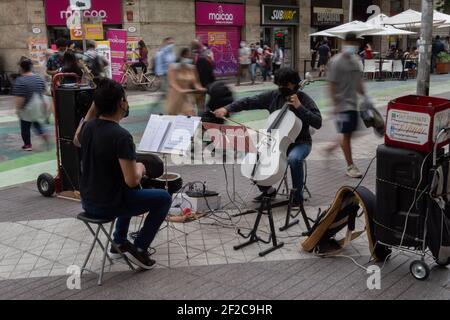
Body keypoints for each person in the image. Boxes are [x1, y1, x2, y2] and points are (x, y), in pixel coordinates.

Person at [76, 78, 171, 269]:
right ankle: (141, 248)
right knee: (163, 198)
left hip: (88, 201)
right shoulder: (121, 136)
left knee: (126, 190)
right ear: (121, 103)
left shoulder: (88, 128)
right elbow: (132, 180)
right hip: (108, 205)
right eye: (125, 98)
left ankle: (119, 241)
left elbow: (76, 140)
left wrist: (96, 104)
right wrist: (141, 167)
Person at [213, 68, 322, 205]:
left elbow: (317, 122)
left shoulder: (304, 99)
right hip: (273, 142)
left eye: (285, 85)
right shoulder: (273, 96)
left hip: (300, 142)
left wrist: (300, 107)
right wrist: (228, 108)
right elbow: (249, 101)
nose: (281, 88)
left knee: (294, 159)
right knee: (253, 157)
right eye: (279, 85)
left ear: (294, 83)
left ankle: (297, 197)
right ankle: (268, 190)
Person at [327, 33, 367, 178]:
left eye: (354, 43)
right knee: (347, 135)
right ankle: (350, 166)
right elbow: (331, 84)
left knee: (350, 133)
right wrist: (335, 104)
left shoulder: (356, 61)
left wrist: (365, 97)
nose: (352, 45)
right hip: (342, 105)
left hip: (353, 103)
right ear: (344, 42)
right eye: (350, 42)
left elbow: (358, 82)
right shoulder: (336, 61)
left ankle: (330, 148)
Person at [12, 59, 49, 151]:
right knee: (36, 122)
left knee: (25, 126)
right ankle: (43, 134)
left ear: (21, 68)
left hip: (26, 108)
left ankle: (27, 145)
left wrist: (18, 109)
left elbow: (20, 98)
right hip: (38, 106)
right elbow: (44, 91)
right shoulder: (38, 78)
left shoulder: (20, 80)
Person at [165, 47, 206, 116]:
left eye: (190, 57)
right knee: (172, 116)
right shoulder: (173, 67)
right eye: (186, 56)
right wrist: (181, 90)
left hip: (187, 95)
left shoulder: (192, 68)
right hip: (175, 94)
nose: (188, 58)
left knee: (191, 113)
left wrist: (200, 88)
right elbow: (172, 82)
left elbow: (196, 82)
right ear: (182, 56)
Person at [191, 40, 215, 113]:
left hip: (191, 89)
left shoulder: (185, 58)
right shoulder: (204, 59)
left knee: (191, 108)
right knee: (200, 107)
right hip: (200, 88)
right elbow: (210, 74)